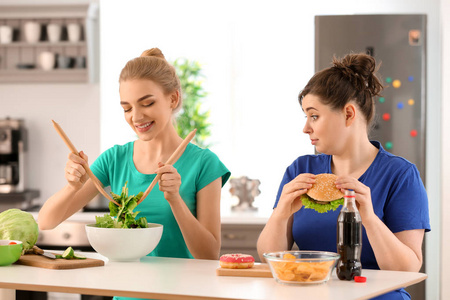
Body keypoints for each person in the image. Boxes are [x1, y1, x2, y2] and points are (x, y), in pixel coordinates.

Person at [256, 53, 430, 300]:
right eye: (305, 117)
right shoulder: (301, 169)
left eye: (314, 115)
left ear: (348, 114)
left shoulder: (400, 175)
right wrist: (281, 213)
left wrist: (369, 218)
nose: (306, 128)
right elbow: (269, 256)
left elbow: (408, 268)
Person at [39, 48, 230, 262]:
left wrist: (175, 199)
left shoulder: (204, 164)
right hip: (126, 293)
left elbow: (210, 254)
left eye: (147, 103)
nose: (136, 117)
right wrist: (72, 186)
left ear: (173, 99)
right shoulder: (114, 160)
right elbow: (46, 222)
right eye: (127, 108)